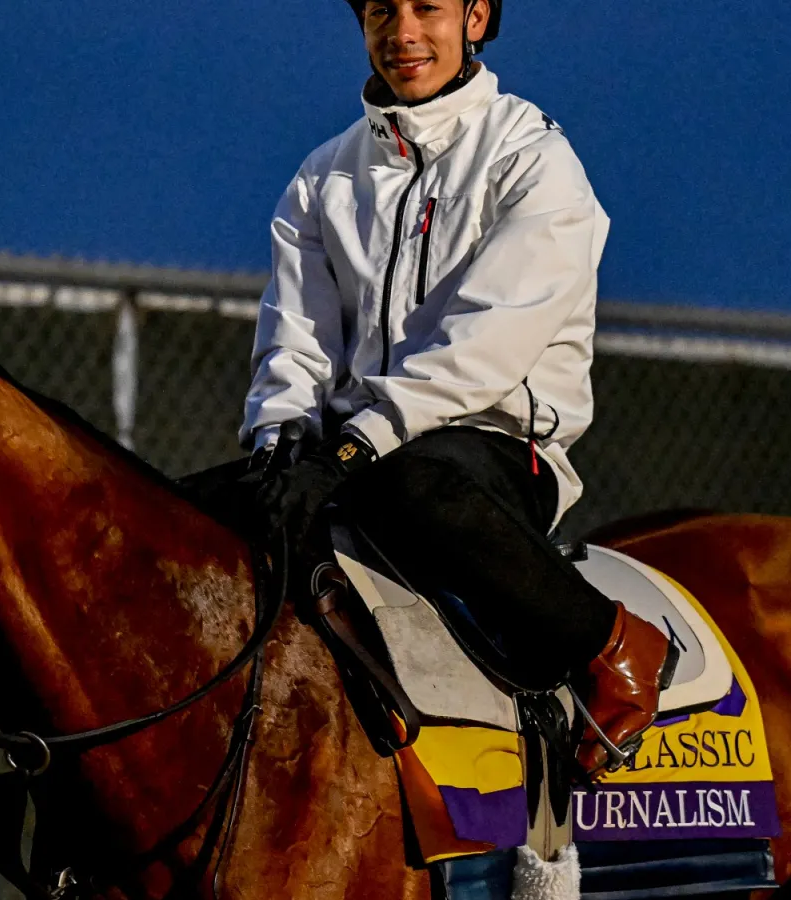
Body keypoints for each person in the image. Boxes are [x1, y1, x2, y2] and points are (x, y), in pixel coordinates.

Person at [240, 1, 675, 892]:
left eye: (428, 7)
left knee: (409, 489)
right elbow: (293, 347)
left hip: (490, 451)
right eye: (380, 9)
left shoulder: (535, 160)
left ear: (477, 15)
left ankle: (613, 643)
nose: (403, 29)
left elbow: (481, 351)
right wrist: (279, 444)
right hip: (355, 461)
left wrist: (355, 448)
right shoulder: (321, 179)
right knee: (202, 517)